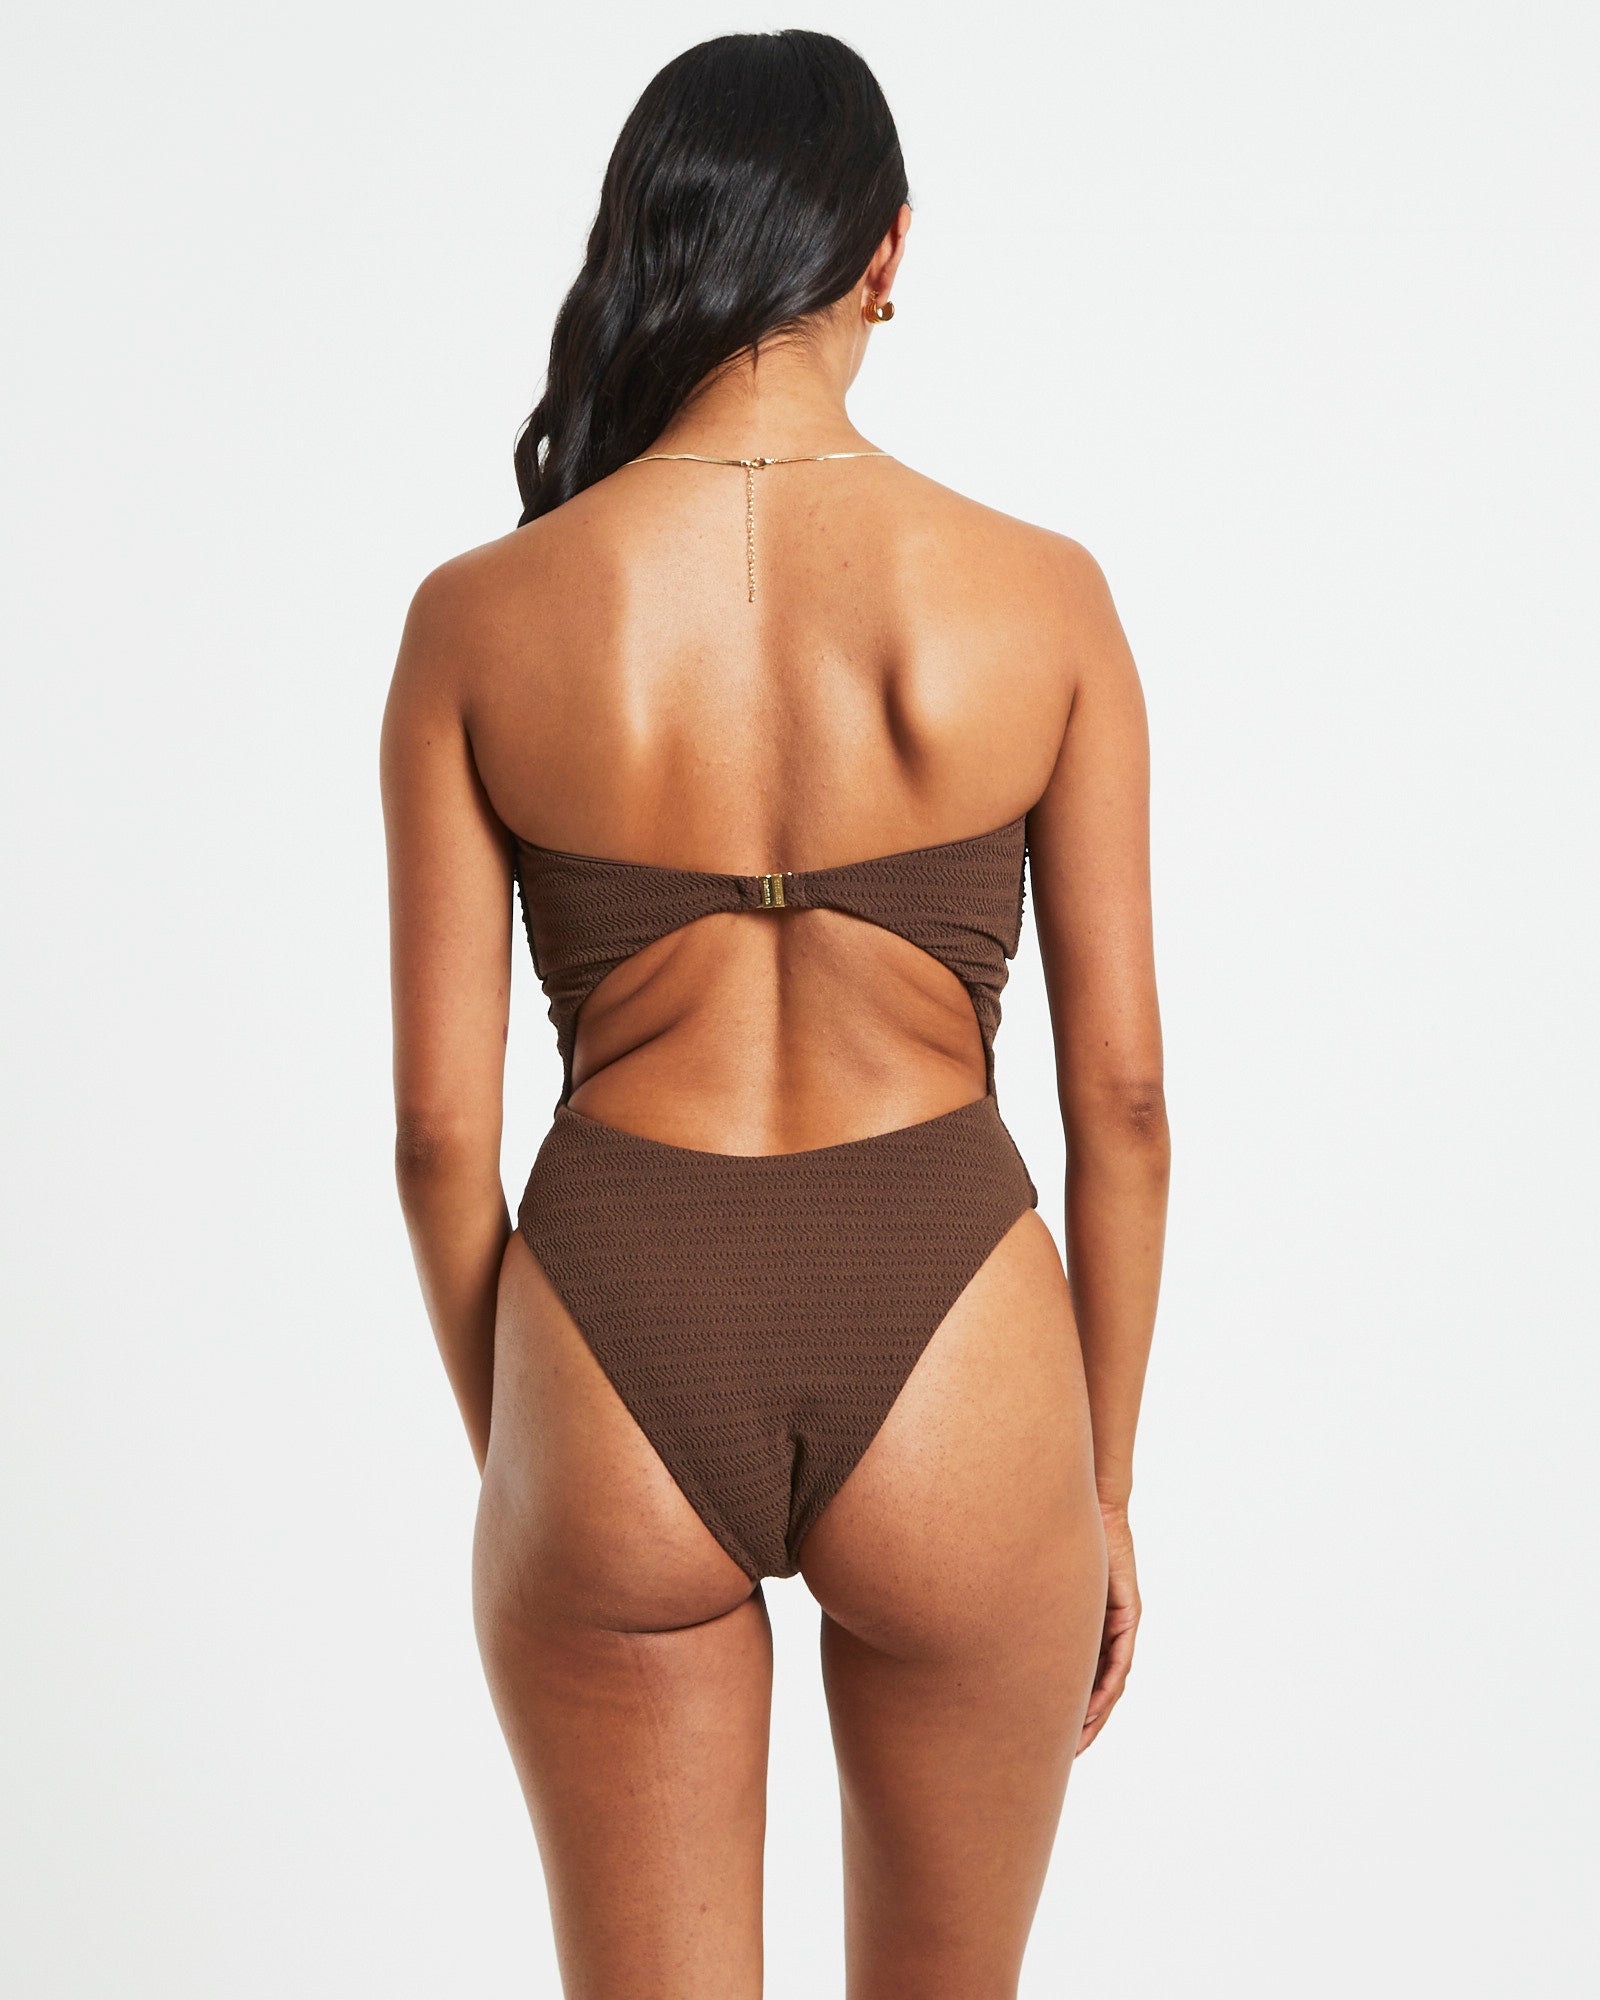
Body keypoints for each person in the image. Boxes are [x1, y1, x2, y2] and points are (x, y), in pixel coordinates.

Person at [381, 28, 1168, 1999]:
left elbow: (436, 1139)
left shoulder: (477, 619)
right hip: (958, 1328)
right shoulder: (1042, 597)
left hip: (610, 1313)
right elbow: (1127, 1105)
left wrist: (534, 1449)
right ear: (884, 251)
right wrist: (1099, 1489)